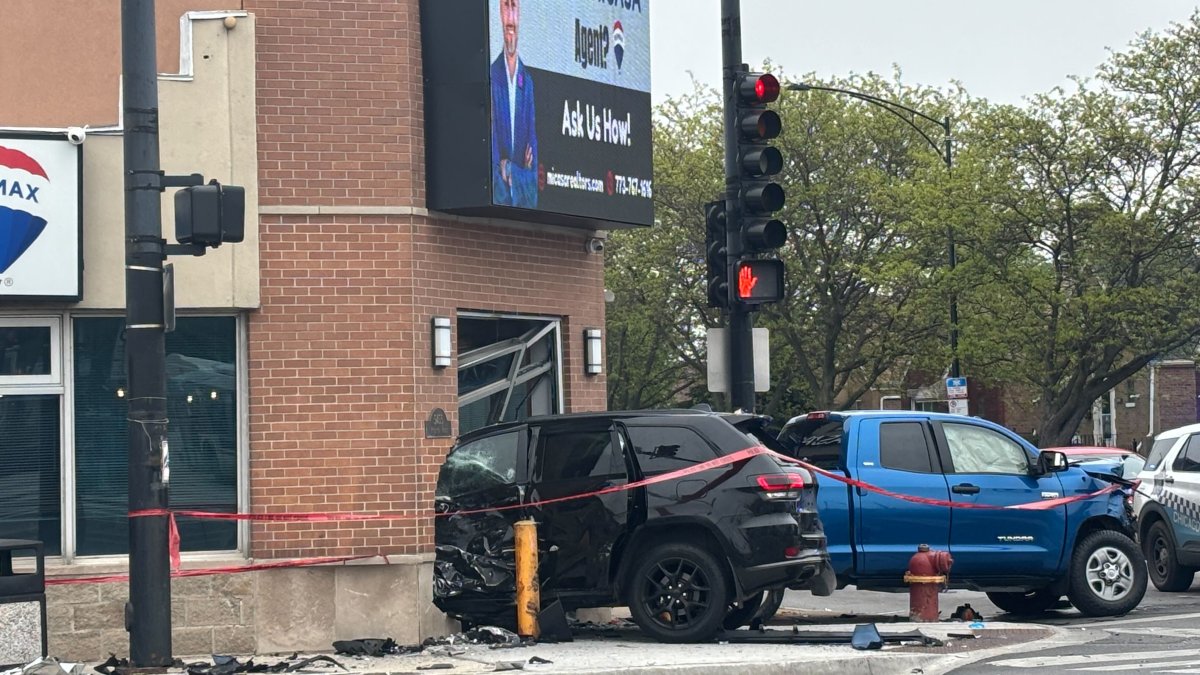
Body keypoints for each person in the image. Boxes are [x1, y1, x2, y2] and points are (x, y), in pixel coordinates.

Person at [490, 0, 538, 208]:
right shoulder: (491, 78)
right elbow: (490, 173)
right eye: (506, 5)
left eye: (514, 6)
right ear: (500, 12)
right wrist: (521, 176)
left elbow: (534, 181)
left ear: (520, 12)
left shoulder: (527, 83)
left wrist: (509, 169)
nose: (510, 17)